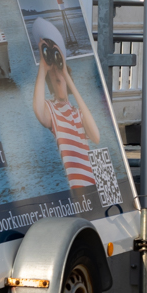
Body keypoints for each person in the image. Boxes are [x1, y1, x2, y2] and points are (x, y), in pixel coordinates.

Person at [29, 18, 104, 197]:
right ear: (50, 86)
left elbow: (96, 137)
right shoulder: (52, 110)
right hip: (79, 189)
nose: (59, 82)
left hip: (94, 184)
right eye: (55, 81)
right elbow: (39, 111)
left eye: (61, 80)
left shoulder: (78, 113)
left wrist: (66, 75)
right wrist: (43, 67)